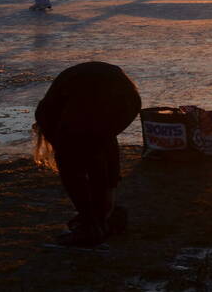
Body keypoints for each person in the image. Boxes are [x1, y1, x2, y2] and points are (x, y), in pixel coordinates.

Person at [34, 62, 141, 247]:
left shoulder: (47, 116)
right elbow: (105, 151)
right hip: (129, 98)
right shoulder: (61, 109)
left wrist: (87, 211)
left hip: (103, 94)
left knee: (71, 164)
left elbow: (72, 167)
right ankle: (105, 214)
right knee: (99, 147)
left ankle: (91, 226)